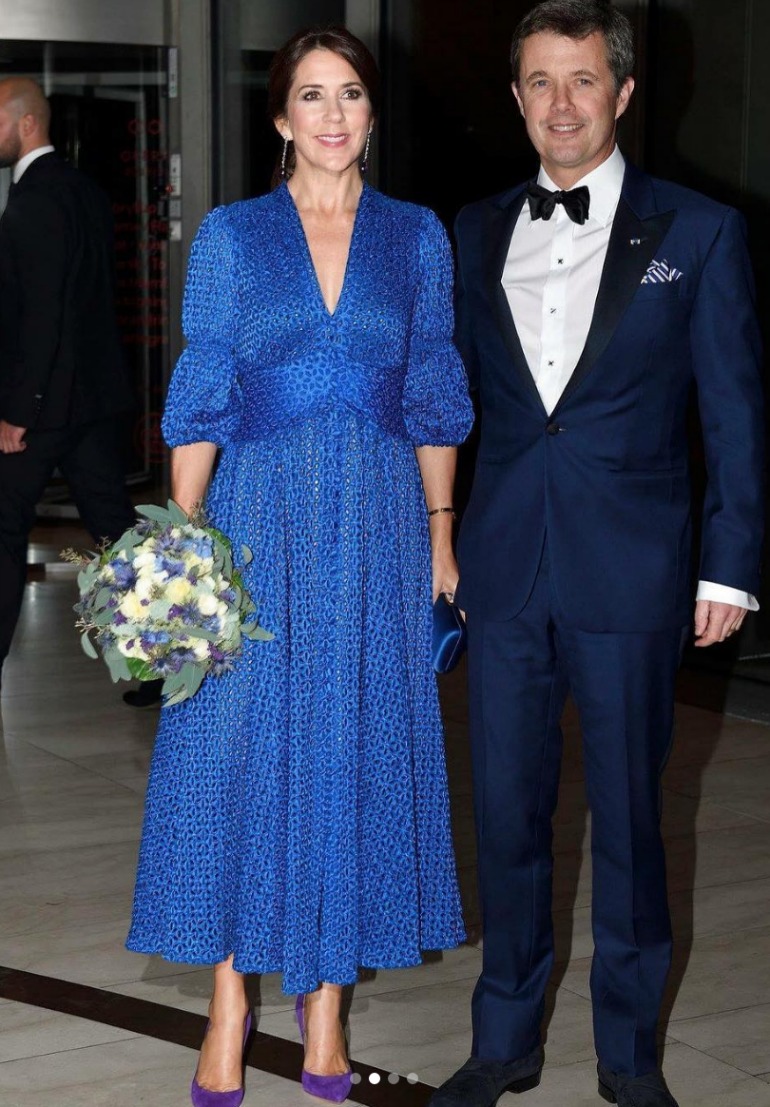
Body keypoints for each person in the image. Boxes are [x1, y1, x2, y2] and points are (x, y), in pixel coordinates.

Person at [126, 25, 473, 1107]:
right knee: (236, 757)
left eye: (351, 95)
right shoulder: (233, 236)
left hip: (374, 527)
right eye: (310, 97)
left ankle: (325, 1012)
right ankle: (231, 1001)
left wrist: (440, 536)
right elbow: (205, 389)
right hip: (258, 524)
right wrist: (180, 545)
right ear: (279, 119)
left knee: (348, 752)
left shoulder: (415, 239)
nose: (331, 115)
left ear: (371, 115)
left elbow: (430, 391)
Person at [431, 3, 764, 1107]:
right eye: (538, 82)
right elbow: (444, 404)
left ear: (621, 93)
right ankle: (502, 1046)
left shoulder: (698, 231)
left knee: (627, 823)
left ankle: (628, 1062)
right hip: (504, 571)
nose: (559, 105)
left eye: (581, 81)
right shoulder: (473, 228)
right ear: (515, 97)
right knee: (508, 819)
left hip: (633, 572)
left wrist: (728, 564)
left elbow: (732, 410)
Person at [0, 77, 135, 683]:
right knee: (117, 531)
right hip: (94, 400)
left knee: (3, 526)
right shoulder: (86, 190)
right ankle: (162, 666)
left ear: (26, 122)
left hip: (46, 404)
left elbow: (43, 313)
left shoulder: (34, 198)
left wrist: (19, 409)